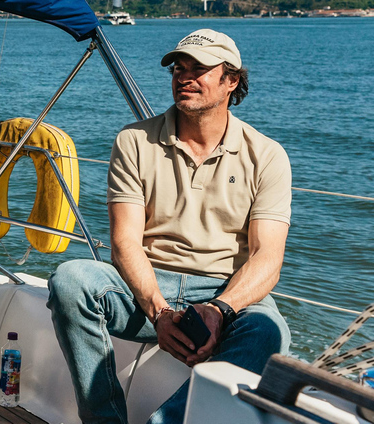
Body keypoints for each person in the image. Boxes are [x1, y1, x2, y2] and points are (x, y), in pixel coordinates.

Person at [47, 29, 292, 424]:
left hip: (221, 288)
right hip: (146, 288)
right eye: (179, 68)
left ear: (231, 80)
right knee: (71, 280)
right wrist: (158, 311)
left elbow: (268, 256)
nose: (184, 76)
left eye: (200, 69)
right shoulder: (134, 141)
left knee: (269, 331)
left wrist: (220, 309)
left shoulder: (266, 156)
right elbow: (125, 241)